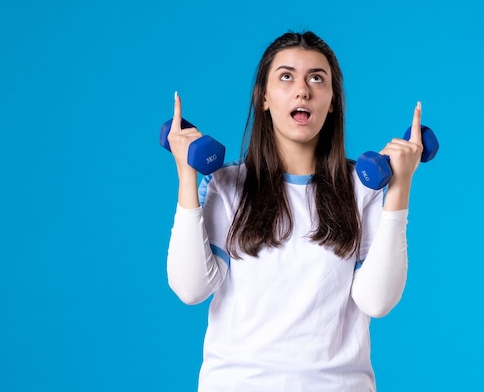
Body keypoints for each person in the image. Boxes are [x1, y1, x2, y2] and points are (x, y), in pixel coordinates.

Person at [165, 30, 424, 392]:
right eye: (286, 76)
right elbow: (191, 288)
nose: (303, 90)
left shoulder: (362, 188)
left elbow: (377, 302)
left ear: (332, 101)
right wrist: (186, 175)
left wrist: (400, 186)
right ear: (264, 97)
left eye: (317, 78)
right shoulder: (227, 186)